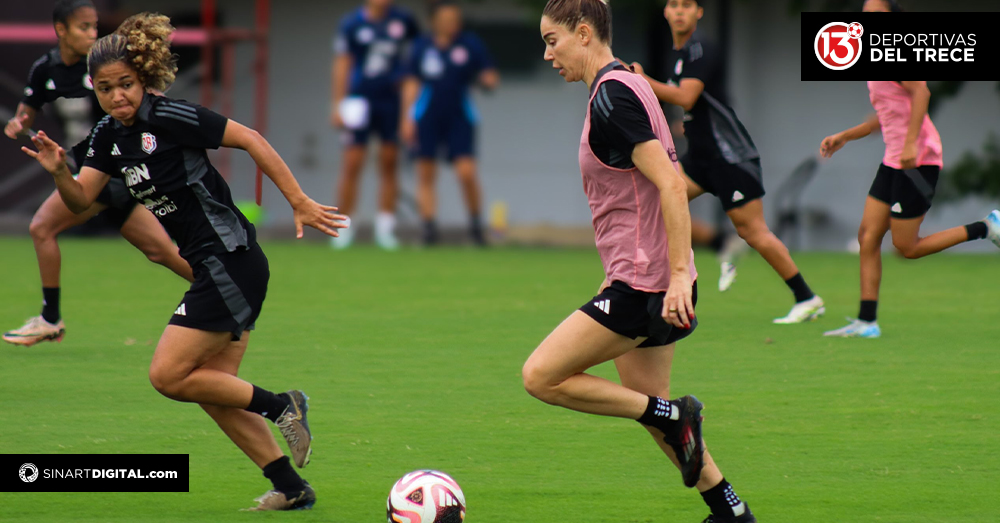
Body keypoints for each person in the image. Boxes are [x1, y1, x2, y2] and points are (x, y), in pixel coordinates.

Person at [21, 13, 347, 510]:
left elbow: (253, 139)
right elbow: (83, 200)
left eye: (126, 84)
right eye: (106, 89)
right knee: (214, 392)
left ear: (143, 80)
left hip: (230, 259)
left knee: (167, 376)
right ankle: (292, 488)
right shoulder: (109, 135)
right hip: (215, 266)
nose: (117, 97)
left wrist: (299, 200)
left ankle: (283, 404)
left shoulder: (171, 116)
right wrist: (58, 172)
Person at [522, 2, 755, 522]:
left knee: (541, 377)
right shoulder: (628, 81)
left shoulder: (612, 98)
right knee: (650, 412)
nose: (547, 53)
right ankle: (730, 510)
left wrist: (673, 275)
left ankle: (676, 417)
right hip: (650, 278)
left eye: (552, 40)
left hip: (644, 283)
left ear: (582, 35)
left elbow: (672, 184)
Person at [3, 0, 193, 347]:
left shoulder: (104, 67)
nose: (92, 34)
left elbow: (145, 99)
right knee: (161, 251)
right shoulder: (46, 68)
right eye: (84, 28)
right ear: (61, 30)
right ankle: (223, 288)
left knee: (42, 227)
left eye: (94, 27)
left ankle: (50, 318)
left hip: (108, 170)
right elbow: (26, 111)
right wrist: (19, 123)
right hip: (99, 171)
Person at [630, 0, 824, 323]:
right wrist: (687, 124)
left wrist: (642, 80)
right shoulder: (678, 54)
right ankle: (711, 251)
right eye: (674, 5)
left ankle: (807, 297)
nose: (679, 11)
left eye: (686, 5)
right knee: (656, 202)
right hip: (701, 158)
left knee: (754, 232)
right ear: (665, 11)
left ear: (699, 13)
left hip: (729, 157)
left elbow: (686, 97)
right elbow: (699, 106)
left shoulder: (700, 48)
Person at [819, 0, 1000, 338]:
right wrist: (846, 135)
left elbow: (922, 92)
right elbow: (886, 113)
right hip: (893, 160)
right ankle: (867, 322)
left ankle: (985, 227)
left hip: (918, 159)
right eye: (864, 16)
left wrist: (913, 143)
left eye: (876, 16)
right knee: (868, 236)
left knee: (907, 248)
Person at [399, 0, 499, 246]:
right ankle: (429, 229)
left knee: (466, 172)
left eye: (455, 20)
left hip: (460, 115)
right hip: (427, 115)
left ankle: (476, 227)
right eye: (446, 20)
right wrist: (406, 118)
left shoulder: (470, 44)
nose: (452, 24)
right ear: (434, 21)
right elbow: (411, 83)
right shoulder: (421, 46)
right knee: (426, 172)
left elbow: (490, 74)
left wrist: (488, 80)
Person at [331, 0, 419, 249]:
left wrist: (408, 111)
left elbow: (413, 61)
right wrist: (337, 103)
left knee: (389, 161)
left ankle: (385, 227)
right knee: (352, 162)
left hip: (391, 100)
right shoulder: (351, 23)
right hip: (358, 100)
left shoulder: (404, 20)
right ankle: (344, 227)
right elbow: (342, 62)